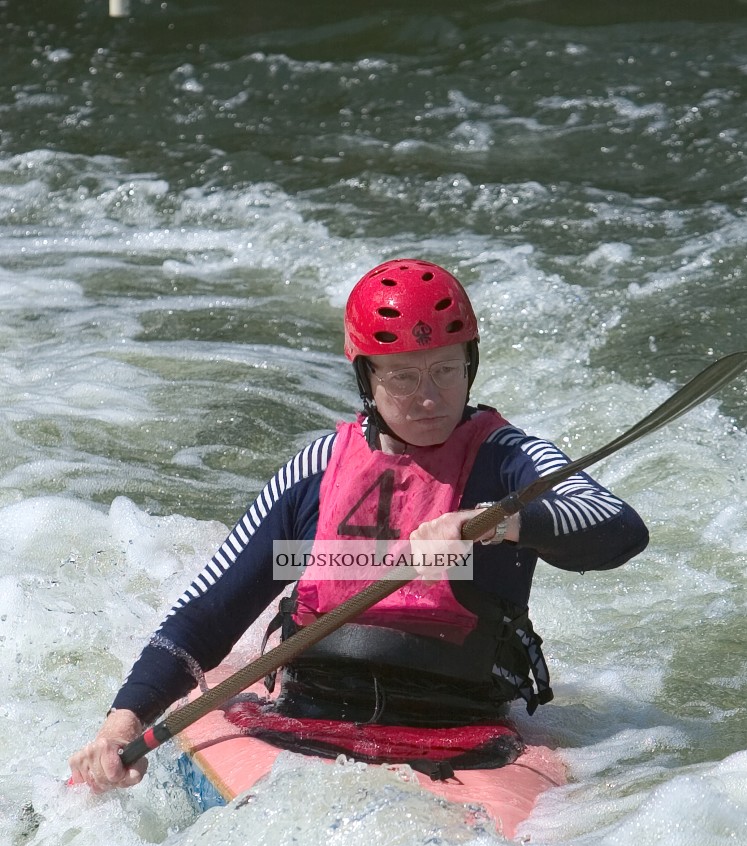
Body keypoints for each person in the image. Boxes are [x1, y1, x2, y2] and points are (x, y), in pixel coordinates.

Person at [69, 258, 649, 794]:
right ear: (366, 380)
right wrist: (121, 724)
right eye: (402, 378)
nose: (429, 397)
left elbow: (619, 528)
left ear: (470, 364)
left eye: (446, 370)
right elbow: (209, 611)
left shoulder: (508, 460)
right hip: (306, 714)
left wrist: (498, 523)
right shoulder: (317, 470)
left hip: (461, 727)